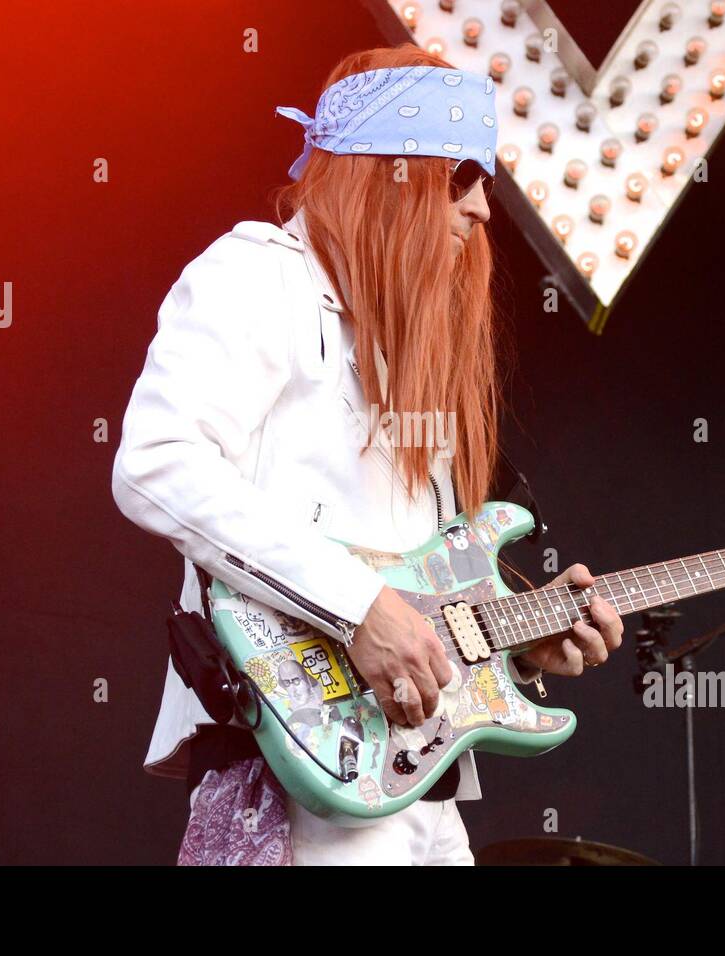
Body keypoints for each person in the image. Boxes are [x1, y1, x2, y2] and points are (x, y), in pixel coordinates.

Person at [111, 44, 624, 866]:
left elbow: (424, 581)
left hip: (419, 786)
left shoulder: (405, 351)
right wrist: (356, 607)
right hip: (299, 782)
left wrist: (514, 636)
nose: (483, 211)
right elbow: (156, 460)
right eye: (461, 176)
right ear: (387, 169)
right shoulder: (256, 277)